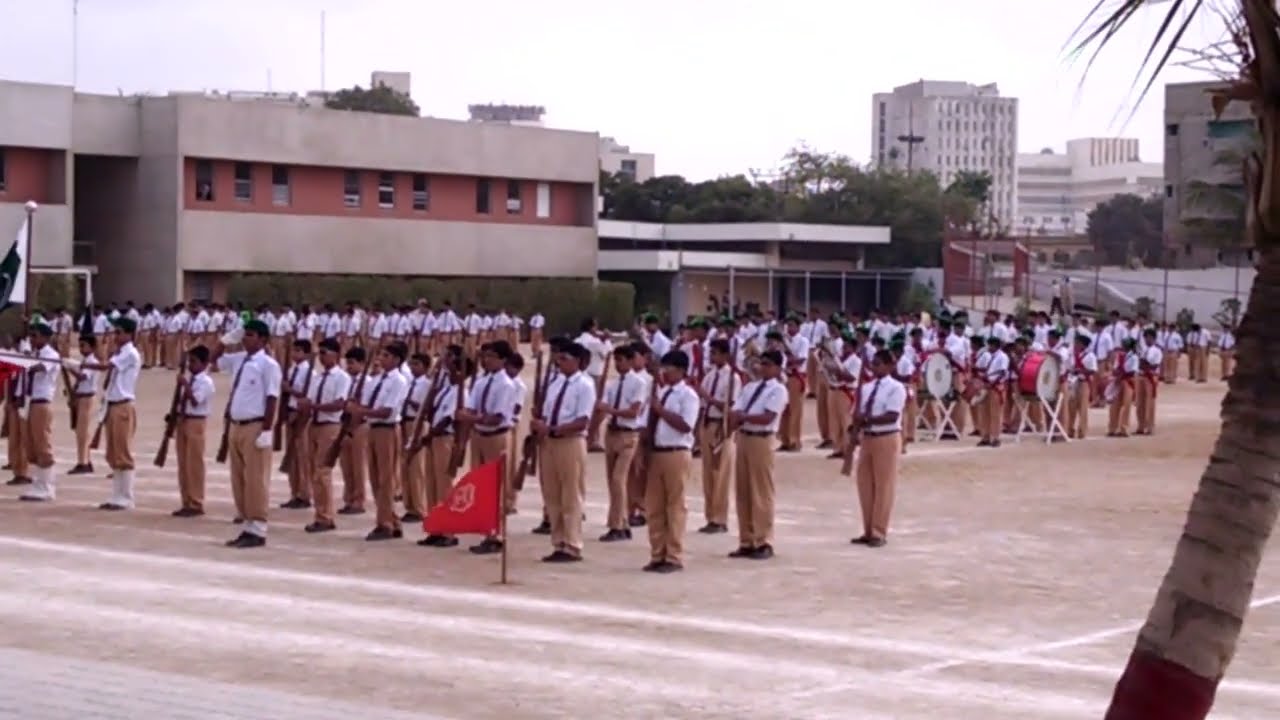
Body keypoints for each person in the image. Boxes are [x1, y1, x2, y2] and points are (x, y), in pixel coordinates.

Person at [212, 320, 282, 548]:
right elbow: (212, 360)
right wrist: (224, 341)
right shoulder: (239, 359)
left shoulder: (268, 365)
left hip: (255, 426)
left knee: (255, 479)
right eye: (245, 335)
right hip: (236, 425)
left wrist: (267, 430)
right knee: (239, 478)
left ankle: (258, 528)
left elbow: (272, 398)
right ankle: (246, 523)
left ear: (263, 339)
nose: (245, 339)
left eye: (250, 335)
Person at [530, 341, 596, 562]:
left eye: (564, 359)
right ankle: (558, 540)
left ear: (577, 361)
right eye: (559, 359)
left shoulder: (585, 385)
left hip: (570, 441)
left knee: (571, 494)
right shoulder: (555, 383)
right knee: (552, 494)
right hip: (550, 441)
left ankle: (572, 543)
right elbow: (547, 412)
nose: (560, 363)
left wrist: (551, 428)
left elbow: (582, 421)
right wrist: (540, 425)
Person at [727, 350, 788, 560]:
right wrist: (739, 417)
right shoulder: (750, 387)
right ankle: (747, 539)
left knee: (761, 490)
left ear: (778, 368)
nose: (763, 368)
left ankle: (764, 540)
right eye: (762, 363)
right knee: (743, 490)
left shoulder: (778, 390)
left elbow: (767, 417)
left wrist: (744, 416)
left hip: (762, 439)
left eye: (768, 364)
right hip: (744, 437)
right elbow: (735, 410)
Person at [643, 350, 700, 573]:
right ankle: (657, 553)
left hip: (676, 451)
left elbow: (686, 425)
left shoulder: (688, 395)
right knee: (655, 506)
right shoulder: (662, 392)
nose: (665, 373)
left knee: (675, 505)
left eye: (670, 369)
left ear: (682, 371)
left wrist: (661, 411)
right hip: (657, 451)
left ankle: (673, 555)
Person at [78, 317, 142, 510]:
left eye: (119, 332)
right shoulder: (120, 352)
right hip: (112, 404)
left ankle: (126, 496)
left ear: (130, 334)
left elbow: (106, 367)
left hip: (123, 405)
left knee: (122, 452)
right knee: (113, 452)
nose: (115, 336)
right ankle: (117, 494)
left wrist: (81, 365)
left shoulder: (130, 353)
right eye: (115, 332)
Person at [462, 341, 517, 555]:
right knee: (482, 485)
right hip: (479, 435)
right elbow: (471, 407)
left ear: (503, 360)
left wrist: (472, 417)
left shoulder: (506, 385)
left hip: (496, 436)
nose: (487, 360)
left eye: (492, 356)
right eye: (486, 356)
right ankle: (486, 530)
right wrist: (470, 417)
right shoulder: (481, 382)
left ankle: (496, 534)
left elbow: (496, 417)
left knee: (497, 485)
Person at [350, 344, 409, 541]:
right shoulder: (375, 381)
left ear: (397, 359)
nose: (381, 359)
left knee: (386, 479)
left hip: (388, 429)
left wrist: (362, 411)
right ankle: (391, 519)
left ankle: (384, 523)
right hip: (373, 428)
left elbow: (387, 411)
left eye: (386, 355)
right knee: (375, 478)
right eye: (381, 355)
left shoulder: (399, 381)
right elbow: (366, 404)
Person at [852, 349, 908, 547]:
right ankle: (867, 529)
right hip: (868, 437)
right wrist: (855, 427)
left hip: (886, 436)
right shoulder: (866, 388)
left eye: (878, 364)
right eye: (873, 364)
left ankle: (878, 531)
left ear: (889, 366)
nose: (874, 368)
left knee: (884, 485)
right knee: (865, 484)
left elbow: (892, 415)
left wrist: (867, 419)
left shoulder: (896, 388)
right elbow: (857, 412)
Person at [300, 338, 351, 533]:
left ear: (336, 355)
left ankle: (325, 516)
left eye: (324, 353)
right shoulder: (317, 378)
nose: (321, 357)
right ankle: (320, 512)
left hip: (330, 426)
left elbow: (339, 404)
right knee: (314, 471)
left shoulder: (342, 378)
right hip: (314, 424)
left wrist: (313, 406)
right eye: (320, 353)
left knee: (323, 472)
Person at [597, 344, 646, 542]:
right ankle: (622, 522)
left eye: (621, 360)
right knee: (613, 481)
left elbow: (634, 411)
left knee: (618, 480)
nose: (618, 364)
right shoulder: (613, 384)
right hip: (612, 432)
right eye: (616, 361)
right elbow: (602, 405)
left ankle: (616, 524)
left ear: (630, 361)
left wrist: (611, 410)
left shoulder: (639, 383)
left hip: (628, 434)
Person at [419, 354, 468, 548]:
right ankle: (436, 528)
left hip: (444, 438)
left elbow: (448, 419)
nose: (448, 372)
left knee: (444, 486)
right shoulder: (446, 389)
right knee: (432, 485)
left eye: (452, 368)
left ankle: (449, 531)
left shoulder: (461, 393)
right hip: (434, 437)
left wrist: (430, 435)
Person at [17, 322, 62, 502]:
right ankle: (38, 483)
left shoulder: (51, 355)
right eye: (31, 336)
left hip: (42, 402)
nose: (32, 340)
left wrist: (23, 361)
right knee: (31, 445)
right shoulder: (34, 354)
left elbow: (38, 368)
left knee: (43, 444)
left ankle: (47, 486)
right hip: (30, 402)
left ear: (45, 337)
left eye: (35, 336)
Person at [696, 339, 736, 534]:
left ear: (725, 355)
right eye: (711, 353)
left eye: (716, 353)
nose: (712, 357)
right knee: (708, 473)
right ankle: (710, 515)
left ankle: (720, 518)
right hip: (707, 423)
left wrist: (710, 398)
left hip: (721, 425)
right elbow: (702, 404)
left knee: (720, 473)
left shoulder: (732, 378)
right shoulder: (710, 376)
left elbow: (730, 406)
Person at [172, 345, 215, 516]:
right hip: (184, 419)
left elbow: (196, 401)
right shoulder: (190, 379)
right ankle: (186, 500)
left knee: (194, 464)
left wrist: (184, 384)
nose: (191, 365)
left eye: (194, 362)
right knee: (183, 464)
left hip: (196, 422)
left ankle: (196, 502)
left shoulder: (205, 382)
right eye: (190, 361)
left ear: (204, 364)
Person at [280, 339, 315, 510]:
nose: (295, 354)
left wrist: (289, 390)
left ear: (307, 354)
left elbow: (307, 395)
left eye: (299, 351)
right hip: (290, 412)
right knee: (292, 456)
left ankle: (305, 493)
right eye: (294, 350)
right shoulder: (291, 370)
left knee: (302, 456)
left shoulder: (309, 372)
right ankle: (294, 492)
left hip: (301, 416)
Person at [67, 335, 99, 475]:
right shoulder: (85, 361)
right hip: (81, 397)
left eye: (84, 345)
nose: (81, 349)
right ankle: (86, 459)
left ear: (92, 347)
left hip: (87, 398)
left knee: (82, 432)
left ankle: (83, 462)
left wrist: (69, 368)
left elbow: (82, 377)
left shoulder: (92, 362)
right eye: (80, 345)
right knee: (81, 431)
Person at [1064, 333, 1097, 440]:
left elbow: (1093, 370)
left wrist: (1081, 370)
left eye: (1077, 343)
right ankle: (1070, 429)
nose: (1075, 345)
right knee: (1071, 406)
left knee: (1083, 407)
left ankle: (1082, 430)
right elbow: (1068, 367)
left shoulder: (1090, 356)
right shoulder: (1072, 354)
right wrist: (1071, 370)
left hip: (1084, 382)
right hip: (1073, 381)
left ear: (1083, 345)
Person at [1136, 328, 1163, 436]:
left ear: (1154, 338)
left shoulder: (1157, 350)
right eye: (1146, 337)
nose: (1147, 340)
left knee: (1150, 402)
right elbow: (1139, 362)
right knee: (1140, 402)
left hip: (1151, 376)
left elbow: (1154, 364)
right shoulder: (1143, 350)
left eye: (1149, 338)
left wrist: (1144, 362)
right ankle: (1141, 425)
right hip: (1141, 375)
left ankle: (1150, 426)